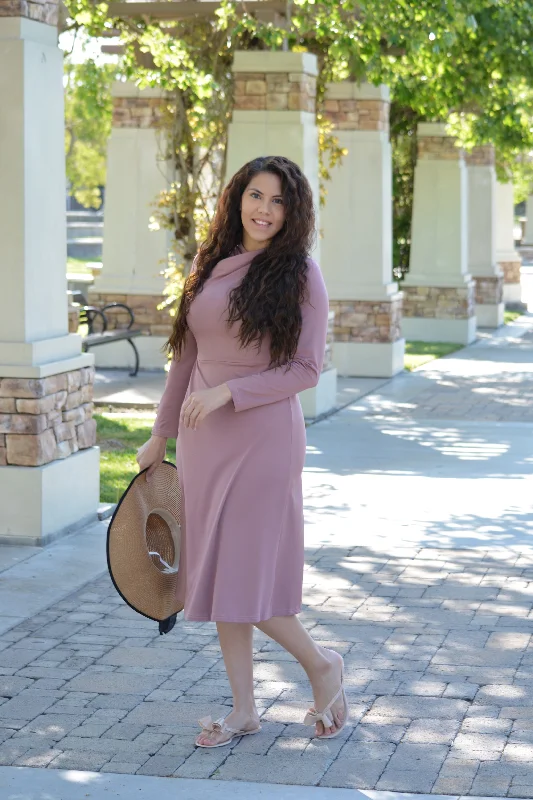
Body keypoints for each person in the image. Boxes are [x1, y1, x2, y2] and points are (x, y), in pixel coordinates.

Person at [136, 155, 348, 748]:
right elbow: (186, 357)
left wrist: (231, 391)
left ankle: (321, 664)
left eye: (278, 201)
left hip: (263, 438)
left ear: (293, 211)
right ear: (237, 200)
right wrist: (161, 433)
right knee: (219, 574)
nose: (264, 209)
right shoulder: (209, 268)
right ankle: (244, 711)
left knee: (243, 575)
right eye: (255, 195)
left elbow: (306, 368)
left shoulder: (302, 274)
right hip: (205, 441)